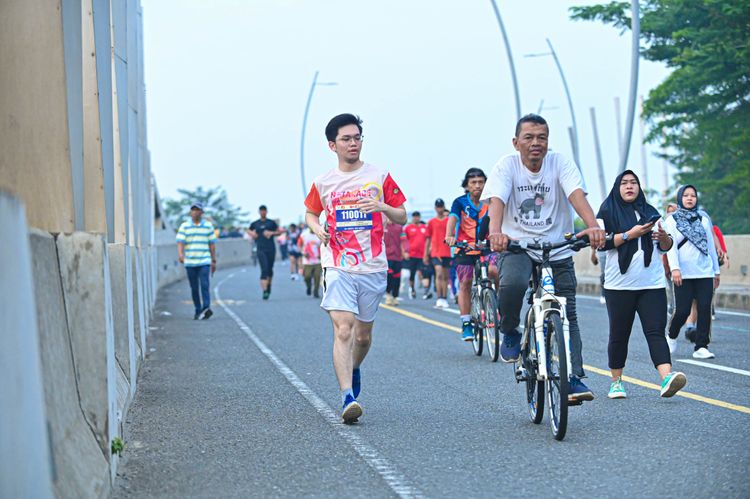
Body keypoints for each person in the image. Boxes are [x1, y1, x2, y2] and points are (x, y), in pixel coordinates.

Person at [484, 114, 606, 403]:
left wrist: (593, 226)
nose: (535, 143)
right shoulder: (506, 166)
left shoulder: (560, 163)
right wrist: (496, 233)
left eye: (542, 137)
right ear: (516, 142)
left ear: (548, 141)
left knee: (568, 312)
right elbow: (496, 201)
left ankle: (573, 377)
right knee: (513, 284)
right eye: (529, 137)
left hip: (557, 246)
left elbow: (576, 196)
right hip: (518, 246)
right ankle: (510, 330)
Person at [304, 113, 407, 423]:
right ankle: (347, 396)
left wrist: (382, 207)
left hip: (372, 266)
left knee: (362, 337)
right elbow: (310, 213)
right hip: (337, 264)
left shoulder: (379, 176)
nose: (353, 143)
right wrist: (317, 229)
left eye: (357, 138)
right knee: (343, 328)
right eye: (346, 139)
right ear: (332, 145)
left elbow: (402, 215)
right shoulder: (323, 182)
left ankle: (355, 366)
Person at [596, 171, 687, 399]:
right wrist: (630, 234)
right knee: (619, 335)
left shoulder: (652, 213)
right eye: (624, 183)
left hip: (651, 284)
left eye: (633, 183)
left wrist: (664, 238)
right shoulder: (606, 212)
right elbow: (600, 243)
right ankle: (616, 382)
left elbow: (666, 246)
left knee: (655, 331)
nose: (629, 186)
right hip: (619, 287)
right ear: (617, 187)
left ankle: (666, 378)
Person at [665, 185, 721, 359]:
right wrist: (675, 269)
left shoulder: (703, 219)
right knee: (682, 311)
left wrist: (716, 271)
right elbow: (671, 247)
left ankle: (701, 346)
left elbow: (710, 247)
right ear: (680, 198)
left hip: (704, 272)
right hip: (683, 273)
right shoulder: (671, 220)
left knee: (704, 309)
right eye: (686, 195)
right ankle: (671, 336)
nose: (690, 198)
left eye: (693, 196)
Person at [445, 168, 499, 342]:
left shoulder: (491, 201)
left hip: (487, 246)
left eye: (481, 182)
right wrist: (450, 236)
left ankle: (498, 305)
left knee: (494, 271)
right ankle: (466, 322)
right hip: (465, 248)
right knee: (465, 282)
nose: (477, 186)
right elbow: (453, 219)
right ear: (467, 186)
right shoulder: (459, 202)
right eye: (473, 182)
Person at [176, 202, 217, 320]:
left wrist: (213, 260)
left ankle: (206, 308)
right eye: (193, 210)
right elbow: (180, 242)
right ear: (190, 212)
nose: (195, 212)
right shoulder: (184, 226)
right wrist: (180, 255)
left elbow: (212, 244)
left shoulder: (208, 226)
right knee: (194, 287)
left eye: (197, 210)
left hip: (204, 260)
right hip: (190, 261)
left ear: (202, 212)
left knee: (205, 284)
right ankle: (198, 309)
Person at [249, 205, 282, 300]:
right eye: (261, 211)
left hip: (271, 249)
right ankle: (265, 291)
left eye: (264, 211)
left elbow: (279, 232)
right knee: (264, 269)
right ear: (259, 212)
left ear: (266, 212)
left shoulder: (271, 223)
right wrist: (252, 234)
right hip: (260, 249)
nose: (263, 212)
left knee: (270, 269)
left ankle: (269, 286)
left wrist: (271, 233)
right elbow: (248, 230)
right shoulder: (255, 223)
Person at [424, 198, 452, 308]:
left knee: (445, 276)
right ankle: (439, 297)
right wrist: (425, 254)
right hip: (435, 252)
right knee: (438, 273)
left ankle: (444, 298)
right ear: (435, 208)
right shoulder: (431, 222)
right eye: (438, 207)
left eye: (441, 207)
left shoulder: (449, 221)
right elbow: (428, 239)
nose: (440, 209)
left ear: (444, 207)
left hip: (447, 252)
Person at [404, 211, 433, 300]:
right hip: (412, 255)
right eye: (414, 216)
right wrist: (405, 251)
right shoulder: (408, 228)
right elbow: (404, 240)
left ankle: (426, 291)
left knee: (424, 272)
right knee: (412, 274)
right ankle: (412, 289)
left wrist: (427, 252)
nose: (416, 218)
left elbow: (428, 240)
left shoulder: (424, 228)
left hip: (422, 255)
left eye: (417, 216)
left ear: (420, 217)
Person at [384, 221, 407, 306]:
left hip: (397, 256)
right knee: (389, 276)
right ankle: (388, 294)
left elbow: (404, 240)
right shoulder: (383, 226)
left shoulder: (399, 227)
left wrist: (406, 250)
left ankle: (395, 296)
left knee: (397, 277)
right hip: (386, 256)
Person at [298, 226, 322, 298]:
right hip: (307, 261)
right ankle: (309, 286)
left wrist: (321, 254)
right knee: (307, 277)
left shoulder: (320, 234)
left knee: (317, 277)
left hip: (318, 260)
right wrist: (303, 253)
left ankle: (316, 292)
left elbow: (324, 245)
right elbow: (299, 245)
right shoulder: (304, 235)